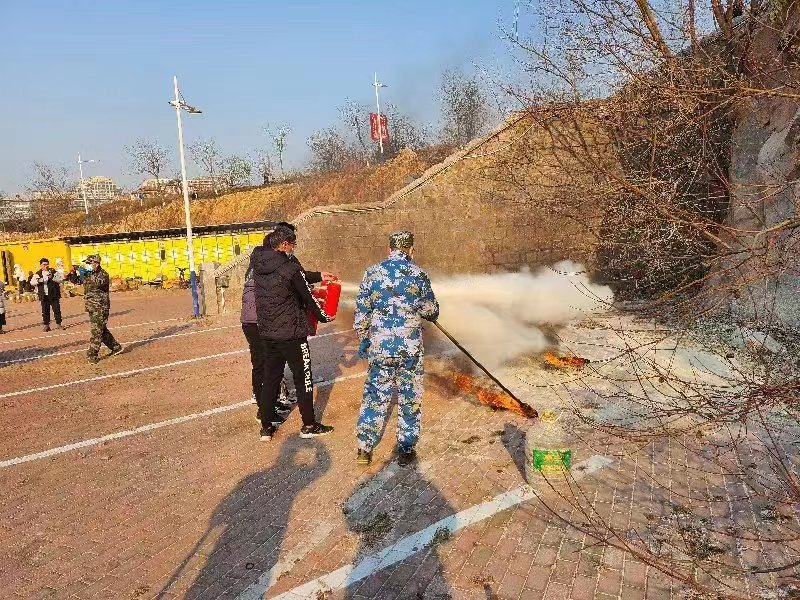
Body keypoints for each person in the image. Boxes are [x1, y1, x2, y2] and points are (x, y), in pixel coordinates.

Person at [353, 231, 439, 466]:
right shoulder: (418, 274)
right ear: (410, 249)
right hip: (409, 349)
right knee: (409, 396)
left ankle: (364, 449)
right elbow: (431, 311)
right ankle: (406, 449)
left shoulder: (371, 273)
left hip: (380, 348)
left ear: (389, 249)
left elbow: (362, 313)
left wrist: (364, 340)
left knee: (375, 396)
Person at [250, 224, 336, 441]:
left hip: (268, 332)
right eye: (293, 245)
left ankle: (266, 427)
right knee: (303, 378)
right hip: (292, 333)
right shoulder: (290, 269)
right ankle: (309, 425)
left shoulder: (258, 264)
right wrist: (325, 317)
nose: (293, 249)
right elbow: (308, 297)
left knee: (271, 379)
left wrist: (318, 275)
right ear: (284, 244)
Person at [240, 265, 291, 421]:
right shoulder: (266, 266)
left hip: (253, 321)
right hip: (258, 322)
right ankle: (264, 411)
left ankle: (270, 403)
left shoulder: (257, 265)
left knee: (267, 364)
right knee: (263, 366)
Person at [83, 254, 123, 364]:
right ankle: (116, 347)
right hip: (92, 306)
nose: (87, 265)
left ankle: (92, 355)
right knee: (101, 329)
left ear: (95, 263)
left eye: (89, 263)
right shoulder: (89, 274)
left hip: (100, 307)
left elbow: (97, 283)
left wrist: (87, 274)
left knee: (96, 331)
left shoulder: (103, 274)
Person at [30, 258, 64, 331]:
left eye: (47, 264)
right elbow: (32, 282)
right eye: (44, 264)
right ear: (41, 265)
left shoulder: (54, 272)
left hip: (54, 295)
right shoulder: (37, 274)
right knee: (45, 311)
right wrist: (38, 281)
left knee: (57, 310)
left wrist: (53, 277)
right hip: (44, 296)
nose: (46, 266)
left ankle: (59, 324)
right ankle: (46, 325)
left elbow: (61, 280)